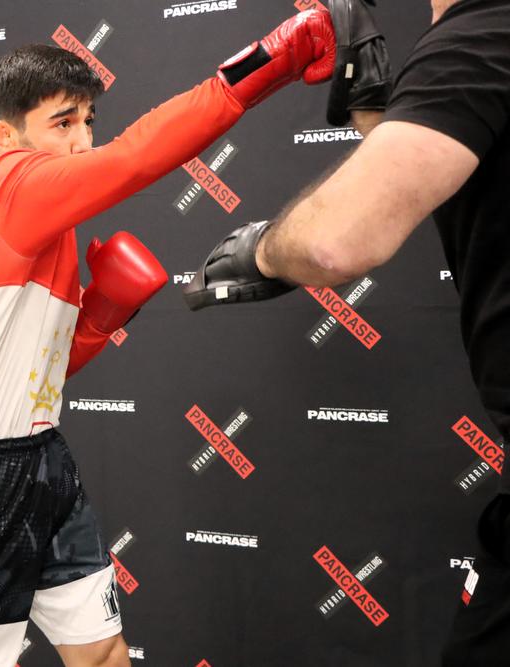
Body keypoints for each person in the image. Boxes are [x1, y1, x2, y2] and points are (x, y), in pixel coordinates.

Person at [0, 10, 336, 667]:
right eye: (61, 123)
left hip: (40, 459)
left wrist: (100, 315)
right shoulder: (4, 188)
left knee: (100, 652)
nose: (82, 141)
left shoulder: (42, 223)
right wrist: (269, 63)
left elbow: (45, 370)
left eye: (87, 121)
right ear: (6, 137)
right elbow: (134, 158)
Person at [183, 1, 510, 664]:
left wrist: (263, 251)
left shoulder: (481, 33)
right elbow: (427, 170)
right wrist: (372, 94)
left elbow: (335, 241)